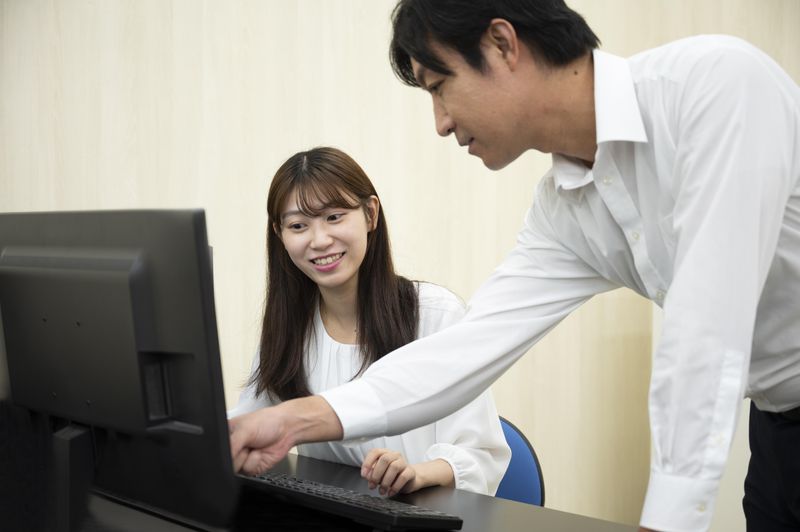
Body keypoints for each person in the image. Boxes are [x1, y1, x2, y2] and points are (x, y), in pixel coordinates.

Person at [229, 2, 800, 530]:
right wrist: (295, 420)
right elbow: (467, 349)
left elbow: (706, 327)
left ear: (502, 44)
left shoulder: (716, 86)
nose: (440, 122)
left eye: (440, 86)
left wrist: (667, 520)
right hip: (778, 424)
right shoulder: (564, 208)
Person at [228, 146, 510, 497]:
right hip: (331, 513)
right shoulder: (290, 327)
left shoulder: (436, 314)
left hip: (421, 510)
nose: (319, 240)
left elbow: (480, 454)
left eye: (334, 217)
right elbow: (248, 426)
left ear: (370, 214)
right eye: (298, 226)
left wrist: (416, 473)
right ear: (280, 234)